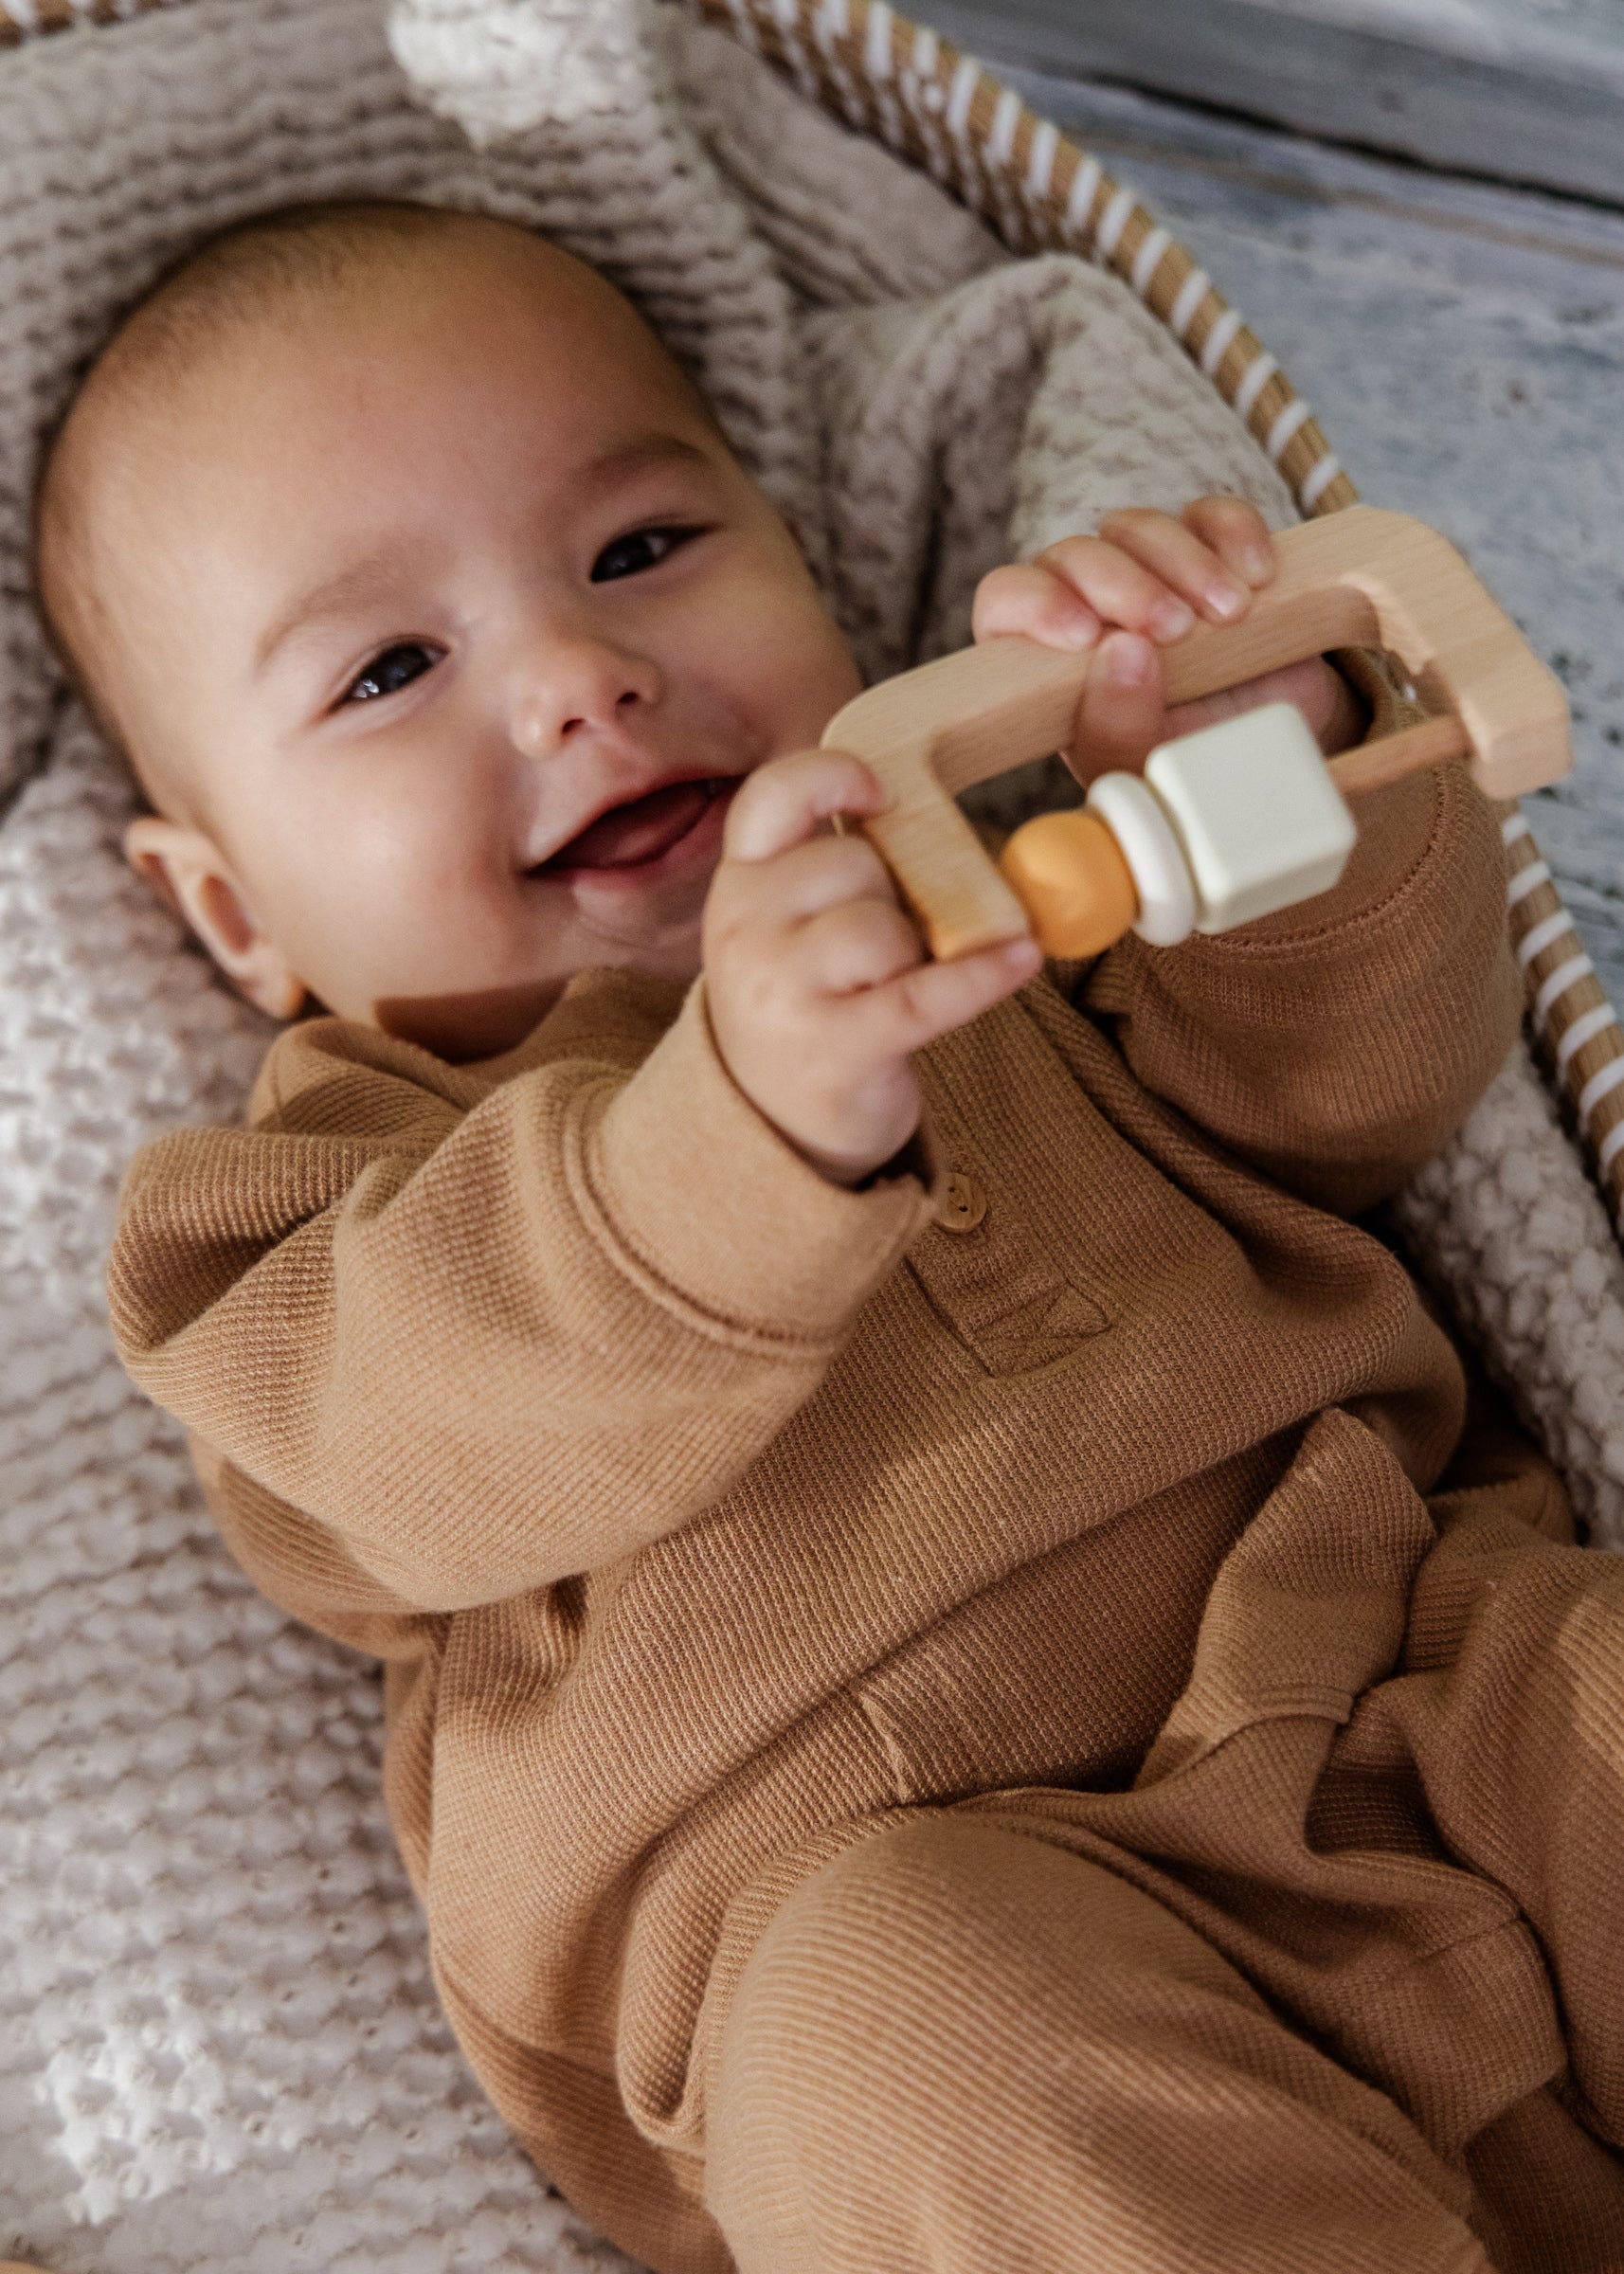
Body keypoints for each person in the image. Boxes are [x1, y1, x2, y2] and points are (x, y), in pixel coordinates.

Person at [43, 198, 1624, 2272]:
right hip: (907, 1923)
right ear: (233, 914)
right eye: (389, 668)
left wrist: (1244, 776)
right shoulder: (285, 1217)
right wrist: (731, 1138)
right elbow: (411, 1443)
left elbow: (1356, 1103)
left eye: (637, 552)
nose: (577, 681)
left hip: (1413, 1695)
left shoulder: (1008, 904)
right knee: (902, 2016)